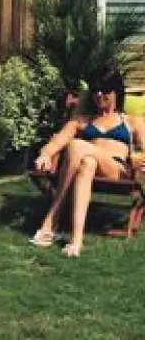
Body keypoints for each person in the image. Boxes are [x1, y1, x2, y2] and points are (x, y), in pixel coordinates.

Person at [31, 64, 145, 257]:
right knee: (87, 163)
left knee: (77, 145)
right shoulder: (82, 120)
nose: (99, 95)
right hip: (87, 166)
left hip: (117, 170)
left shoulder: (131, 121)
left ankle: (52, 218)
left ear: (116, 92)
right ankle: (76, 241)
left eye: (105, 90)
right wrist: (46, 154)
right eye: (95, 90)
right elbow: (57, 141)